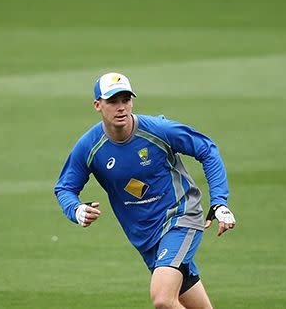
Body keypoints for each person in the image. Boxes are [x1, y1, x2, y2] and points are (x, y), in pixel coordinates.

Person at [54, 72, 236, 309]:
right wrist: (76, 210)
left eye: (126, 99)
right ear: (97, 105)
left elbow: (207, 149)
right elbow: (65, 187)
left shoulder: (157, 129)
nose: (121, 107)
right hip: (146, 237)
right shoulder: (90, 146)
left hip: (179, 217)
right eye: (113, 101)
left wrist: (219, 201)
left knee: (162, 300)